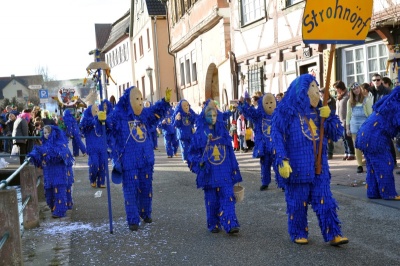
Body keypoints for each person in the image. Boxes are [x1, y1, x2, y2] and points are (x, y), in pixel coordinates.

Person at [271, 74, 348, 246]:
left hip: (319, 167)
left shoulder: (319, 111)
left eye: (316, 87)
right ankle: (298, 232)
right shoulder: (286, 112)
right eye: (312, 87)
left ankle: (333, 233)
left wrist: (329, 117)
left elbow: (336, 134)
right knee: (298, 203)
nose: (316, 92)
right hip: (297, 169)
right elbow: (276, 137)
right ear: (301, 91)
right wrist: (281, 159)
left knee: (325, 200)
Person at [107, 87, 172, 231]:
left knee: (146, 187)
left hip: (145, 159)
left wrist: (165, 102)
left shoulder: (144, 114)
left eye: (141, 99)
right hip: (129, 161)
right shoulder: (118, 115)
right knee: (130, 189)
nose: (140, 102)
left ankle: (145, 213)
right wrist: (101, 120)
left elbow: (156, 112)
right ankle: (133, 219)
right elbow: (107, 128)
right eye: (137, 99)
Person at [187, 99, 242, 234]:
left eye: (215, 116)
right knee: (212, 200)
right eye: (210, 116)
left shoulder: (222, 132)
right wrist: (198, 162)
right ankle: (214, 223)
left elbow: (230, 153)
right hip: (209, 173)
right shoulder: (199, 134)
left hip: (224, 171)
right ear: (204, 117)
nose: (212, 118)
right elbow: (191, 153)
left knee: (228, 196)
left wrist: (234, 170)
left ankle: (230, 224)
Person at [355, 86, 400, 200]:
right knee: (385, 163)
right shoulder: (396, 106)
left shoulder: (388, 103)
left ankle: (373, 192)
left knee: (372, 165)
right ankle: (388, 193)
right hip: (375, 137)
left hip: (364, 134)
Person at [28, 125, 74, 218]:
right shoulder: (44, 145)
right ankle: (54, 207)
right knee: (49, 193)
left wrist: (45, 153)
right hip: (49, 173)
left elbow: (60, 157)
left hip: (60, 173)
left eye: (48, 132)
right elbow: (39, 156)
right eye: (44, 133)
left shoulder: (61, 144)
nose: (46, 135)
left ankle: (60, 211)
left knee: (59, 191)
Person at [238, 92, 277, 191]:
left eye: (271, 103)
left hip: (276, 145)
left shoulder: (278, 115)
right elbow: (250, 112)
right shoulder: (259, 115)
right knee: (265, 165)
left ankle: (282, 183)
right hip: (264, 145)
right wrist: (244, 104)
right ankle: (265, 182)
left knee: (278, 163)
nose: (269, 105)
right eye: (266, 103)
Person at [345, 82, 373, 173]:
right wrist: (347, 128)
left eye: (357, 88)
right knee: (356, 146)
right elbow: (348, 115)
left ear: (360, 89)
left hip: (364, 124)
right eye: (354, 89)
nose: (356, 90)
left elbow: (370, 114)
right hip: (354, 125)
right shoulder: (350, 101)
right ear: (352, 91)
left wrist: (371, 126)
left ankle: (369, 162)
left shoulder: (366, 100)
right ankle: (359, 165)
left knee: (366, 144)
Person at [80, 104, 107, 188]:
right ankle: (93, 179)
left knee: (102, 163)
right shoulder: (86, 119)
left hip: (102, 145)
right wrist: (94, 120)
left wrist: (104, 120)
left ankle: (101, 181)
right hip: (92, 146)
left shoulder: (101, 119)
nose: (96, 110)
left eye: (97, 109)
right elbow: (81, 126)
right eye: (94, 110)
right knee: (94, 163)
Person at [333, 80, 355, 160]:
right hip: (339, 120)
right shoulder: (339, 96)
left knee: (347, 137)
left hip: (346, 120)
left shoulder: (347, 96)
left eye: (336, 88)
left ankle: (351, 153)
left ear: (340, 88)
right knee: (343, 138)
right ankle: (346, 152)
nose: (336, 90)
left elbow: (350, 108)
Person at [319, 87, 336, 160]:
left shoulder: (332, 101)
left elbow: (333, 111)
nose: (321, 95)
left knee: (329, 137)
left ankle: (330, 152)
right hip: (322, 121)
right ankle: (325, 152)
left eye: (322, 94)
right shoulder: (320, 101)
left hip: (329, 120)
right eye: (320, 94)